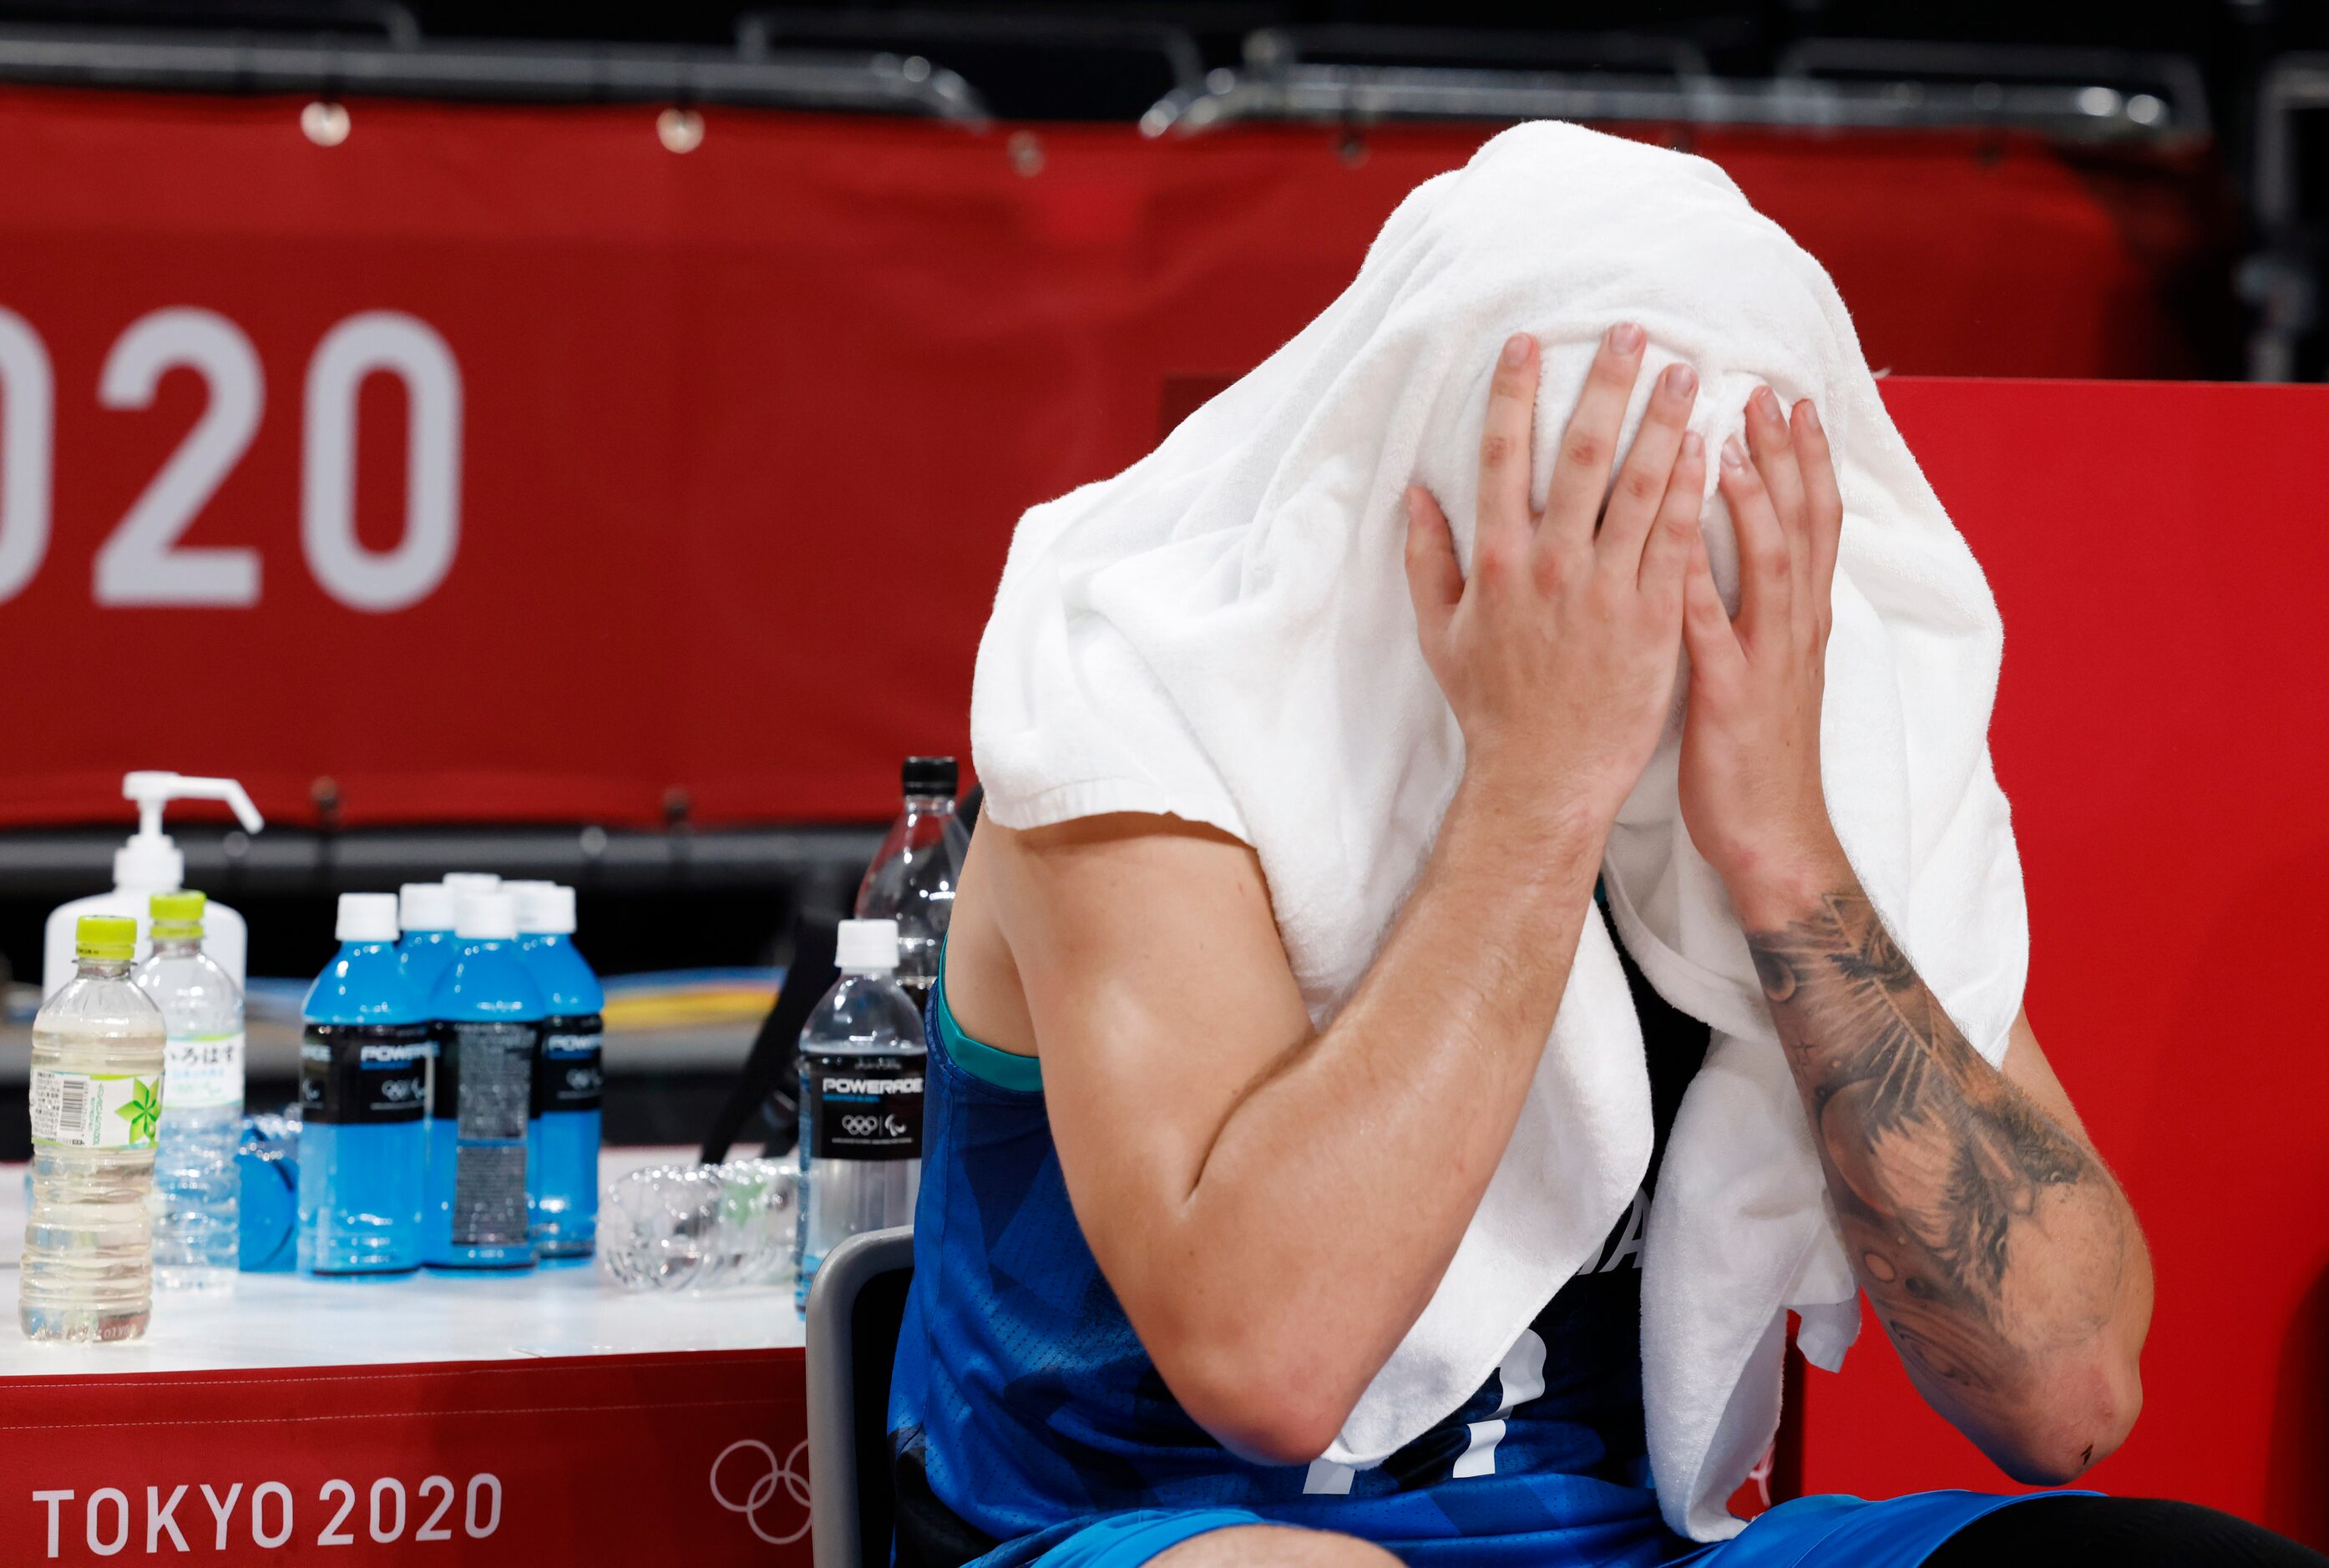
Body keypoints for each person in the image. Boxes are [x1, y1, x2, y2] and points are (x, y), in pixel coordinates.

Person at [885, 327, 2324, 1568]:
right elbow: (1272, 1369)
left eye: (1694, 516)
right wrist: (1533, 789)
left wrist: (1786, 851)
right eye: (1589, 509)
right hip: (1132, 1527)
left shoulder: (1787, 756)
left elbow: (2065, 1388)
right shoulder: (1138, 735)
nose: (1639, 581)